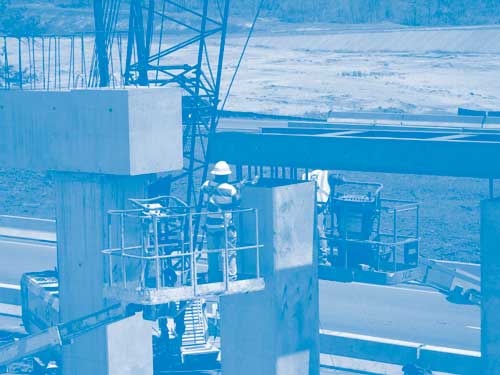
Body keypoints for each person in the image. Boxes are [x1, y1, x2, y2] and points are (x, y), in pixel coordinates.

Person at [201, 161, 241, 282]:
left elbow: (205, 200)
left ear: (215, 174)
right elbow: (237, 201)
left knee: (212, 254)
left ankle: (213, 278)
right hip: (225, 226)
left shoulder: (206, 185)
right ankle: (231, 277)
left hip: (210, 226)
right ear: (226, 175)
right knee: (230, 253)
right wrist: (238, 188)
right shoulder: (231, 190)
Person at [303, 170, 331, 265]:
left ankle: (318, 256)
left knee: (314, 230)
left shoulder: (305, 174)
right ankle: (323, 257)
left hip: (308, 204)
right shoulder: (325, 173)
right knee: (319, 230)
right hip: (319, 205)